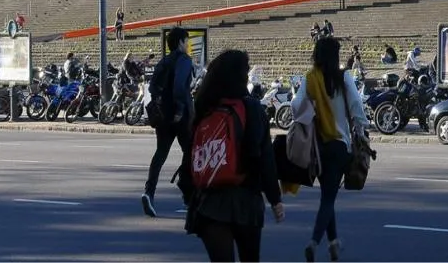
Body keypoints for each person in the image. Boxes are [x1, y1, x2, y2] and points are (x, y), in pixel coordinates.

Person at [182, 49, 285, 262]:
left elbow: (190, 157)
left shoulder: (204, 108)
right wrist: (275, 200)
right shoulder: (253, 109)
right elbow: (265, 159)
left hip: (210, 204)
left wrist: (190, 196)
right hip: (246, 202)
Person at [290, 37, 369, 262]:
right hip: (339, 147)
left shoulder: (310, 78)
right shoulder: (343, 77)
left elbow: (296, 106)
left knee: (327, 195)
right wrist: (362, 132)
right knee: (328, 199)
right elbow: (356, 106)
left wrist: (313, 109)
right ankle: (314, 242)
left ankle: (334, 243)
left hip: (319, 148)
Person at [142, 27, 194, 218]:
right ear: (180, 42)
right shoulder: (184, 60)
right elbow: (180, 86)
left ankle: (149, 192)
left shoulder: (163, 61)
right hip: (181, 116)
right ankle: (188, 194)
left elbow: (153, 87)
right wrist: (180, 108)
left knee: (160, 153)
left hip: (163, 115)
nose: (187, 45)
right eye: (186, 41)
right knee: (190, 153)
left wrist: (161, 105)